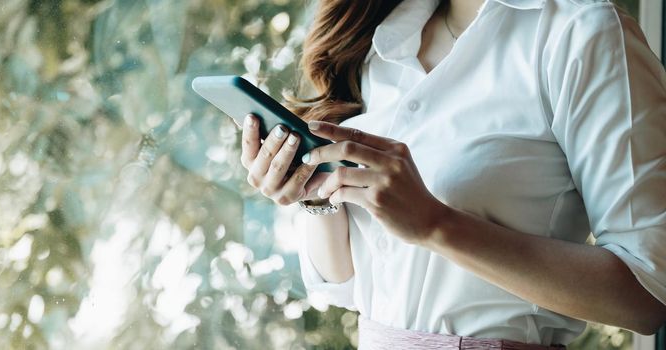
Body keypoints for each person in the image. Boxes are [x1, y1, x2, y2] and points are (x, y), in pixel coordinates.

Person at [239, 0, 666, 348]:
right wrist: (315, 192)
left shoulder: (582, 32)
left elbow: (647, 297)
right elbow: (346, 287)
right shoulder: (379, 36)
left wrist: (435, 225)